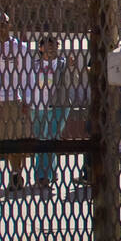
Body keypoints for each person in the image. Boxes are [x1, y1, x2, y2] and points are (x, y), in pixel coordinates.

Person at [30, 36, 72, 192]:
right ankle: (42, 175)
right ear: (41, 48)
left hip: (59, 106)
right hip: (38, 107)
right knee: (41, 140)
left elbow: (71, 81)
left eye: (55, 45)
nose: (52, 48)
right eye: (48, 45)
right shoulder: (33, 65)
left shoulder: (63, 64)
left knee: (52, 138)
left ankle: (48, 173)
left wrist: (71, 67)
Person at [0, 11, 30, 191]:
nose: (1, 26)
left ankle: (16, 175)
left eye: (4, 23)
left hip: (12, 101)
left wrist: (26, 101)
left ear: (9, 25)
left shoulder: (20, 49)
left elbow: (27, 77)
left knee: (14, 141)